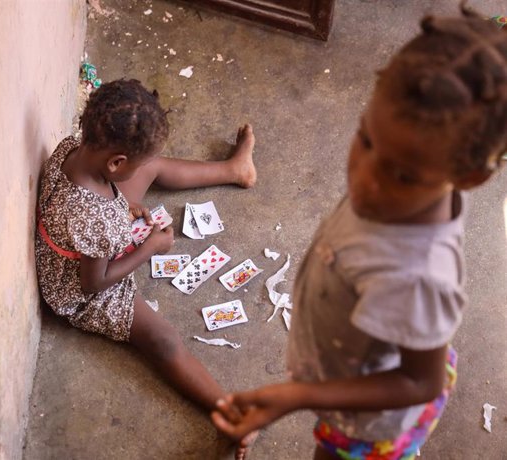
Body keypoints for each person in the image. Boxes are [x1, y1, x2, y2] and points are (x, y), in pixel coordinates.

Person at [211, 6, 507, 460]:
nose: (365, 180)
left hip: (371, 426)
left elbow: (418, 380)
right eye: (366, 139)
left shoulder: (419, 276)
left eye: (403, 175)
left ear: (467, 178)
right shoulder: (394, 188)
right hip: (361, 364)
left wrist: (297, 395)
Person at [35, 79, 257, 458]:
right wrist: (151, 248)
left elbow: (98, 211)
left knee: (151, 167)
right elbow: (94, 284)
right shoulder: (99, 219)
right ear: (117, 163)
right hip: (83, 292)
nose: (138, 167)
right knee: (163, 340)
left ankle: (235, 169)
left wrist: (123, 205)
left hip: (87, 234)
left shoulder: (73, 148)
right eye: (132, 163)